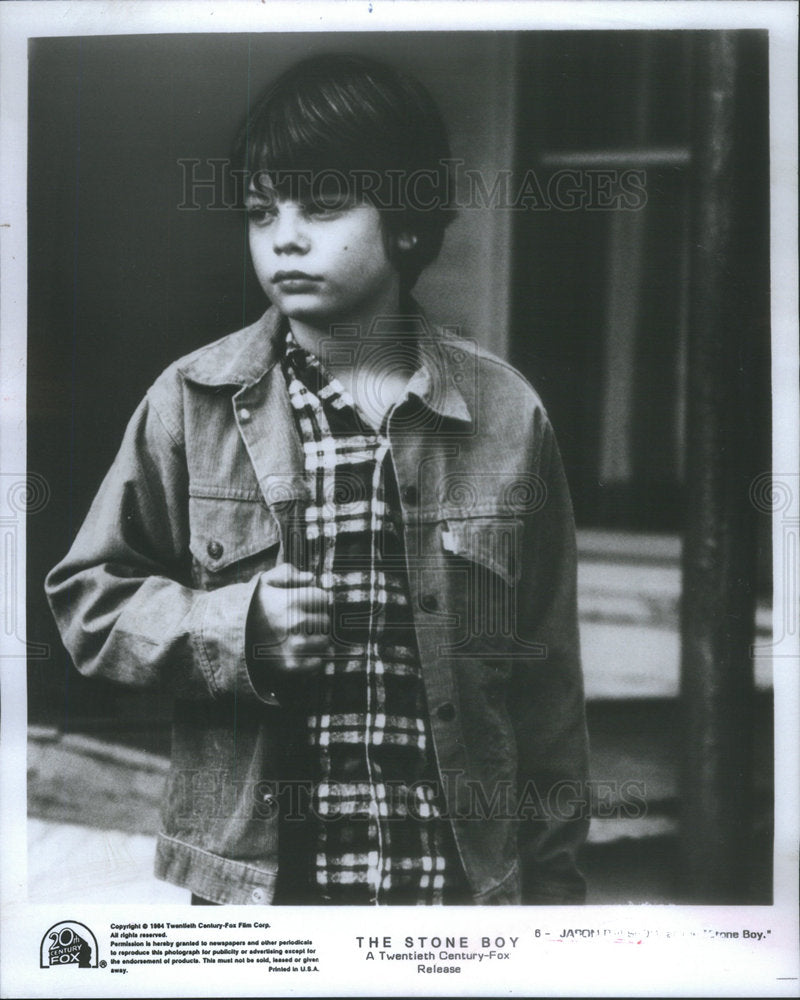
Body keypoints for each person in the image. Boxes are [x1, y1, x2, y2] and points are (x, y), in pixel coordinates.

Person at [46, 52, 590, 906]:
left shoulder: (508, 416)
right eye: (263, 211)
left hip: (447, 897)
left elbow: (549, 690)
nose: (285, 236)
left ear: (408, 221)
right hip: (265, 900)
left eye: (324, 204)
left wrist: (554, 905)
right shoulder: (192, 403)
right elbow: (87, 599)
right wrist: (236, 625)